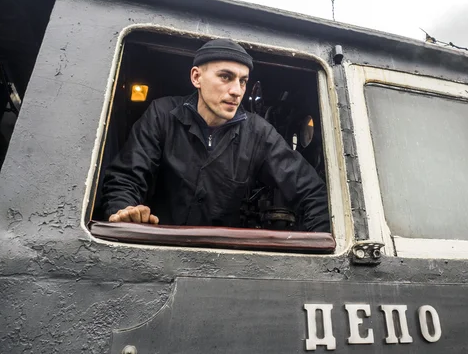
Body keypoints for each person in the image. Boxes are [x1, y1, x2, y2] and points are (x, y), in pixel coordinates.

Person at [101, 38, 330, 232]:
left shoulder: (259, 133)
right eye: (225, 77)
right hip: (158, 248)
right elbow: (126, 178)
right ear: (196, 77)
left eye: (243, 81)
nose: (237, 90)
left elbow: (312, 193)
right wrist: (124, 212)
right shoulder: (162, 115)